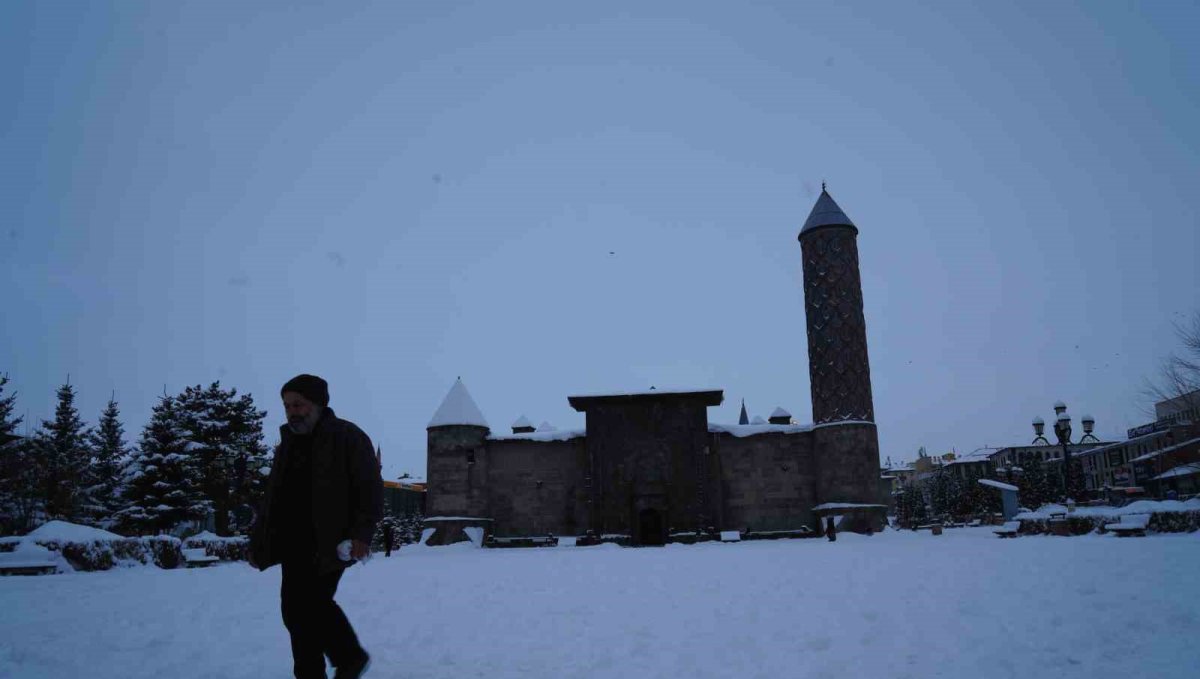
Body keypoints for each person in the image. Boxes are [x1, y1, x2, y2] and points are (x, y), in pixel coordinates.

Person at [250, 374, 383, 679]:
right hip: (292, 542)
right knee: (294, 612)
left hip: (329, 542)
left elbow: (369, 489)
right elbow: (273, 498)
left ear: (318, 404)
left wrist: (361, 533)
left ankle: (350, 657)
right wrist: (258, 542)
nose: (292, 412)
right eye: (287, 406)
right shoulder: (288, 443)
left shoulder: (347, 437)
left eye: (298, 404)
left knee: (311, 604)